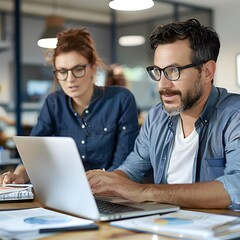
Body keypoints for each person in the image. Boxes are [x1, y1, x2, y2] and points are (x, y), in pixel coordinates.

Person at [87, 18, 240, 210]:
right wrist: (100, 182)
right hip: (164, 225)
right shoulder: (157, 116)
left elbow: (237, 185)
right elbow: (132, 171)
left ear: (207, 72)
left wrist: (144, 192)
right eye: (158, 71)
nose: (162, 85)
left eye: (173, 71)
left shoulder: (235, 116)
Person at [0, 28, 139, 184]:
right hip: (66, 190)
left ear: (93, 67)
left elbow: (125, 164)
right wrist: (19, 175)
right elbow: (34, 154)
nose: (70, 79)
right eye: (62, 71)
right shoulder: (53, 103)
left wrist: (100, 186)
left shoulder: (121, 99)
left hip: (112, 193)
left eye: (78, 69)